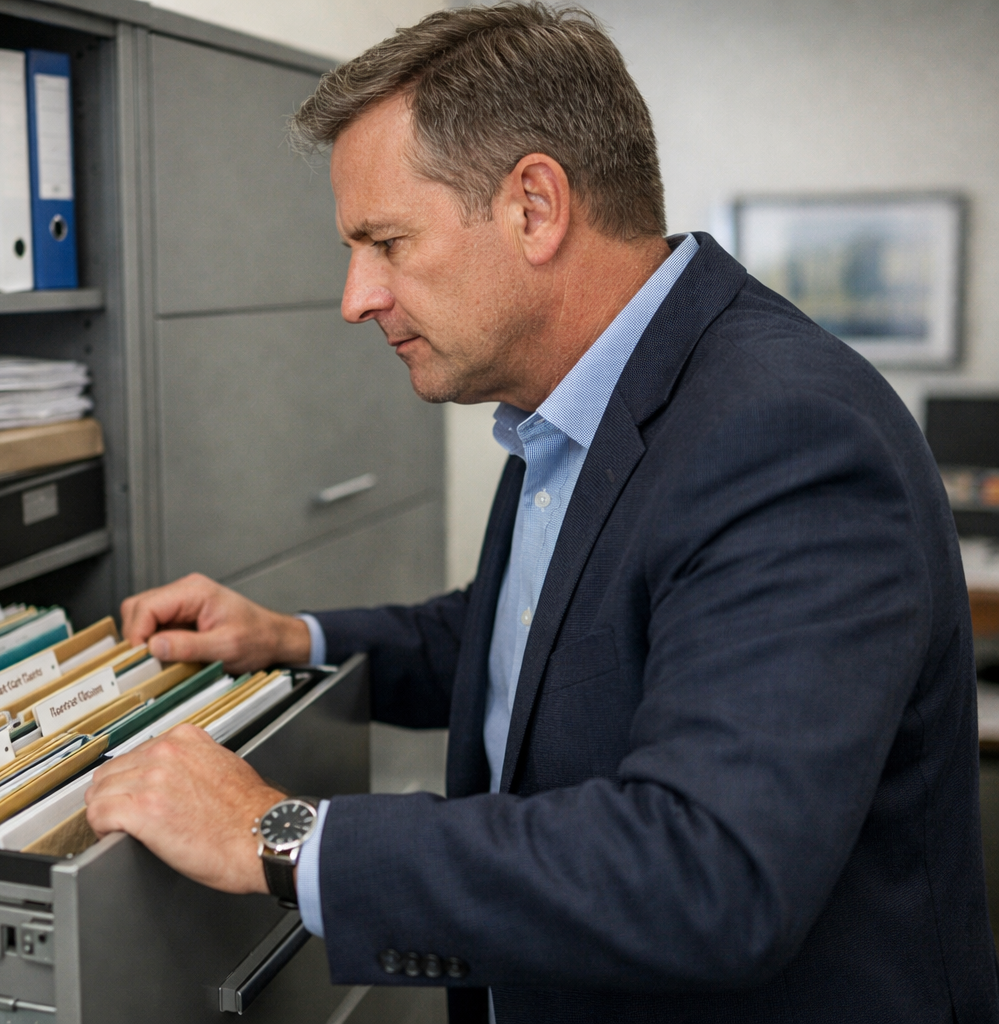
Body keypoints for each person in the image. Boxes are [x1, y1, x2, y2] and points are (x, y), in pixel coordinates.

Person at [82, 4, 999, 1021]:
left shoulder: (788, 436)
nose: (356, 296)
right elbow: (535, 634)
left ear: (533, 207)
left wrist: (280, 833)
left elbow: (711, 873)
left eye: (386, 241)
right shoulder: (566, 398)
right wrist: (291, 637)